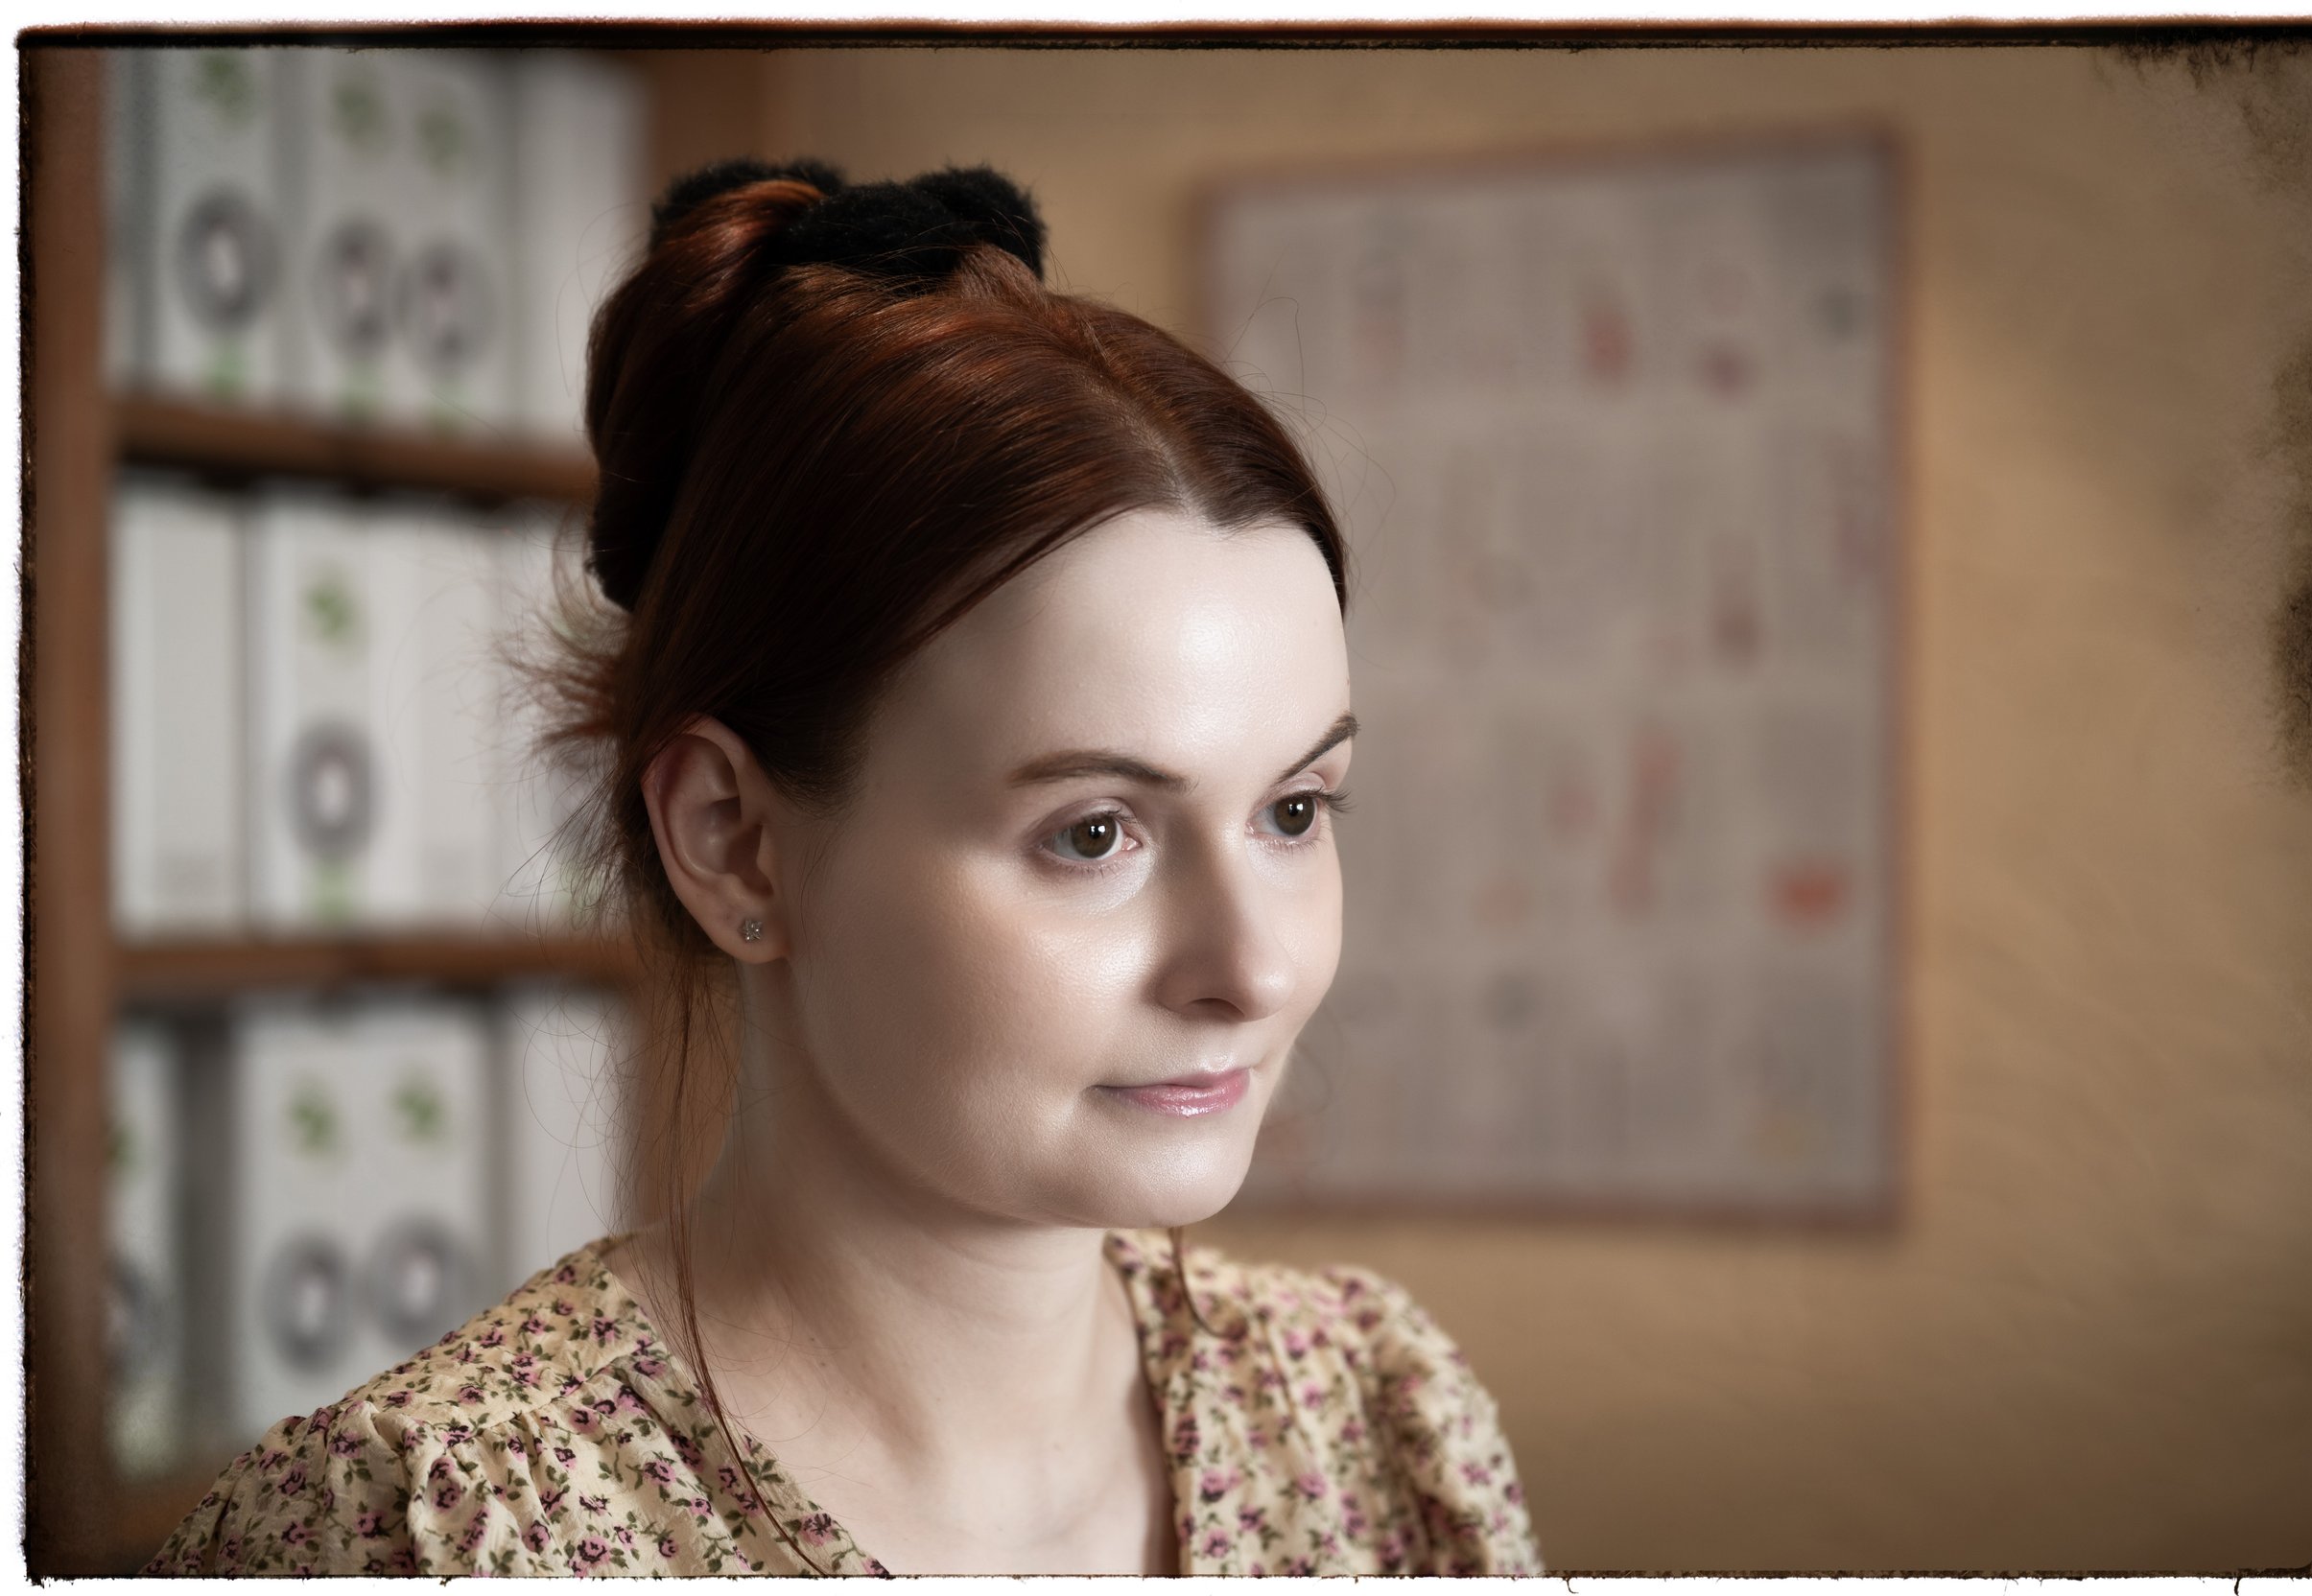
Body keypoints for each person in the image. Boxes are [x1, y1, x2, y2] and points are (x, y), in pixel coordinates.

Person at [149, 157, 1542, 1578]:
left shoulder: (1372, 1423)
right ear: (732, 842)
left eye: (1296, 812)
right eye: (1095, 834)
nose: (1252, 967)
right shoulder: (428, 1528)